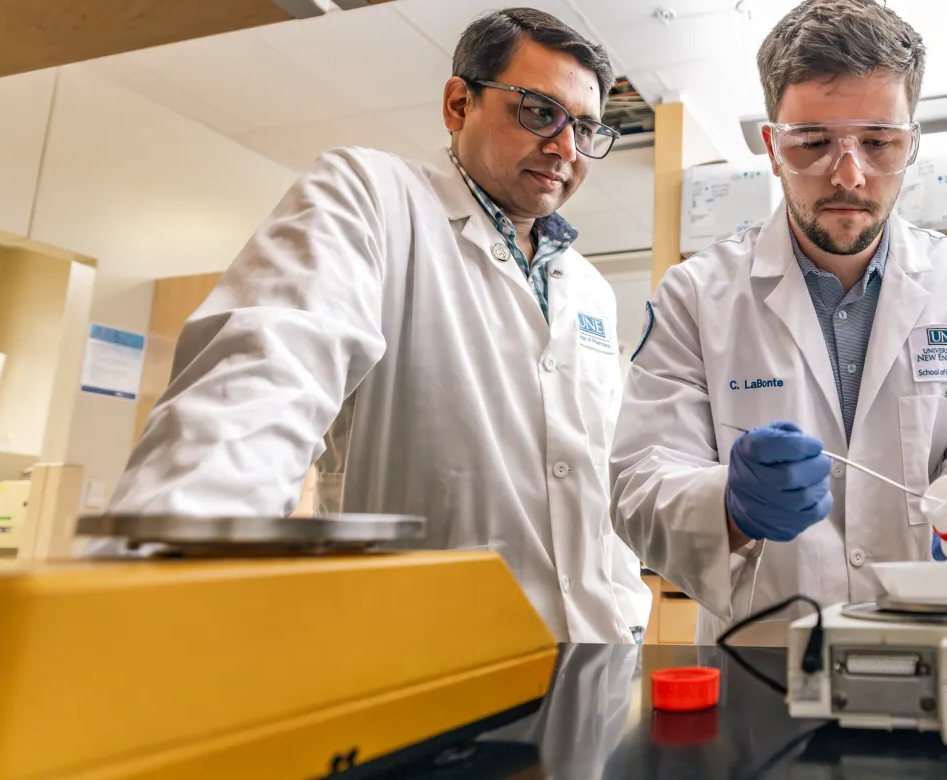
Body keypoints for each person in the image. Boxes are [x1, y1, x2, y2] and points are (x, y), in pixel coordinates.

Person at [107, 9, 649, 644]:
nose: (565, 148)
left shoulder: (587, 286)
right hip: (422, 648)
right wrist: (158, 587)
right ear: (458, 103)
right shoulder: (369, 197)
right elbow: (259, 386)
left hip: (592, 648)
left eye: (585, 128)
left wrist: (628, 614)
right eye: (538, 112)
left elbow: (593, 474)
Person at [611, 0, 947, 644]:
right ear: (773, 149)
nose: (849, 174)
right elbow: (639, 486)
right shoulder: (697, 294)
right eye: (813, 143)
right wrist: (728, 505)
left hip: (934, 642)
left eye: (880, 143)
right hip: (767, 663)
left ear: (911, 146)